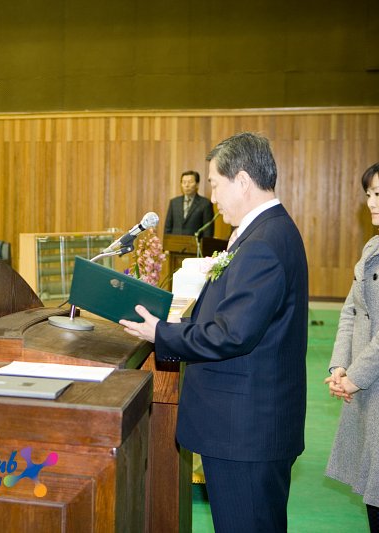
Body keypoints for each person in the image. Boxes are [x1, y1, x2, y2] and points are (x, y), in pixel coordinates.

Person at [120, 132, 308, 532]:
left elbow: (232, 334)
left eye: (216, 184)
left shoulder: (265, 243)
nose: (214, 196)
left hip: (246, 432)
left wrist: (162, 334)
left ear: (242, 180)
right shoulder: (267, 232)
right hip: (251, 425)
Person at [324, 162, 379, 533]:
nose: (372, 202)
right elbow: (350, 310)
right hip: (365, 383)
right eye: (370, 194)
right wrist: (339, 367)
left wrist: (355, 377)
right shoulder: (372, 245)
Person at [164, 170, 216, 237]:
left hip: (196, 245)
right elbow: (168, 228)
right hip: (175, 244)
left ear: (197, 184)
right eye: (184, 182)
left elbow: (208, 231)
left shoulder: (205, 204)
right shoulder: (174, 203)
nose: (186, 185)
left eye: (190, 182)